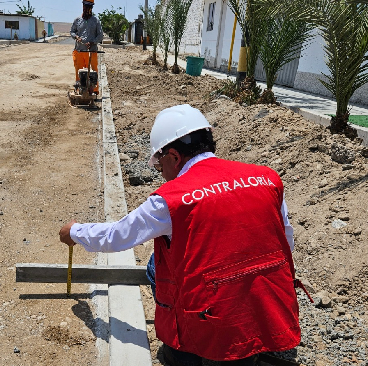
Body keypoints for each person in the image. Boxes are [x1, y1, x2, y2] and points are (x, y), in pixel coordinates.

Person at [59, 104, 301, 366]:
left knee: (160, 273)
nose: (161, 173)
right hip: (268, 306)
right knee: (159, 263)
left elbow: (117, 236)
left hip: (214, 318)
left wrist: (74, 231)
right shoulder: (267, 179)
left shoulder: (171, 200)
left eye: (159, 164)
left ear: (173, 156)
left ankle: (188, 348)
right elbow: (285, 243)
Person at [70, 0, 103, 95]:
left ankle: (94, 90)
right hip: (79, 50)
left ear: (92, 8)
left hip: (91, 51)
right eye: (85, 6)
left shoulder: (96, 21)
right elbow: (72, 31)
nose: (87, 9)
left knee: (92, 71)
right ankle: (80, 89)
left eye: (89, 7)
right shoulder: (77, 20)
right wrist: (76, 37)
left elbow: (100, 35)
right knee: (79, 71)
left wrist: (93, 42)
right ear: (83, 6)